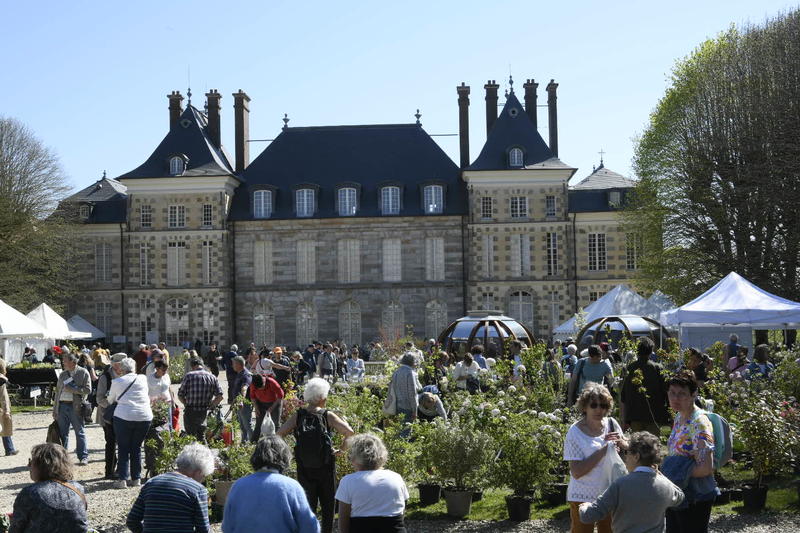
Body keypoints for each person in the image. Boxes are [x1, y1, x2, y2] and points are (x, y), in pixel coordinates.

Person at [277, 378, 355, 533]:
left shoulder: (298, 416)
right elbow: (349, 432)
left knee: (307, 505)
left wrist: (290, 453)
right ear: (322, 398)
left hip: (304, 467)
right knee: (328, 507)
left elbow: (278, 435)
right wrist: (341, 451)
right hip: (326, 466)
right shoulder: (328, 416)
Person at [579, 431, 684, 533]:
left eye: (627, 452)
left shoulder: (620, 485)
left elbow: (589, 515)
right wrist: (660, 474)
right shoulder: (665, 486)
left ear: (636, 456)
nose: (625, 458)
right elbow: (680, 496)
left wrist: (584, 507)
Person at [563, 382, 628, 533]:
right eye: (594, 405)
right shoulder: (575, 432)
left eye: (603, 405)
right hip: (582, 496)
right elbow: (577, 472)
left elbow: (627, 449)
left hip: (609, 493)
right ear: (584, 406)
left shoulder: (612, 424)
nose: (599, 409)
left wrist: (623, 443)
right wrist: (604, 449)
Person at [222, 436, 319, 533]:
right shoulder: (291, 487)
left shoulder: (238, 486)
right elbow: (310, 527)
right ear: (285, 457)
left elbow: (227, 527)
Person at [662, 370, 717, 533]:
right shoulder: (679, 417)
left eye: (682, 394)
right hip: (678, 492)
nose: (675, 398)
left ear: (694, 394)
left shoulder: (699, 423)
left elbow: (706, 468)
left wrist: (676, 471)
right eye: (672, 393)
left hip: (696, 496)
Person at [126, 442, 214, 533]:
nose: (202, 480)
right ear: (198, 472)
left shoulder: (151, 483)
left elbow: (132, 521)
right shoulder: (197, 490)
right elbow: (203, 530)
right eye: (204, 475)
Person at [336, 433, 409, 533]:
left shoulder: (348, 481)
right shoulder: (396, 477)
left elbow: (343, 517)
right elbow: (401, 510)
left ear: (355, 459)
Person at [10, 443, 88, 533]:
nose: (28, 465)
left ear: (41, 465)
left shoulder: (29, 493)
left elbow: (16, 528)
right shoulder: (77, 488)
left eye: (31, 461)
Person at [108, 357, 153, 488]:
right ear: (134, 368)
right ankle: (136, 479)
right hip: (144, 416)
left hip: (123, 416)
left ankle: (122, 479)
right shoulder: (143, 378)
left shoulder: (117, 381)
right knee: (136, 447)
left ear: (121, 369)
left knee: (123, 447)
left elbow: (111, 400)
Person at [620, 337, 669, 436]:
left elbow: (623, 397)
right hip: (654, 415)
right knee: (652, 446)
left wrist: (623, 419)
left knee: (637, 445)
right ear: (651, 351)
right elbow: (667, 391)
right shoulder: (658, 368)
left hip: (634, 415)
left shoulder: (628, 369)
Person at [52, 351, 91, 465]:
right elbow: (57, 392)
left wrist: (73, 390)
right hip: (62, 406)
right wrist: (55, 409)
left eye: (65, 361)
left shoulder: (83, 372)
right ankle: (63, 458)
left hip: (76, 406)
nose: (63, 363)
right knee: (63, 433)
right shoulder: (63, 374)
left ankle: (83, 456)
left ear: (73, 362)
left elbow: (88, 390)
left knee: (80, 432)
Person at [178, 357, 224, 441]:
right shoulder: (212, 377)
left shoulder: (189, 376)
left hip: (190, 411)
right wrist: (212, 405)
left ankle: (192, 453)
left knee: (191, 437)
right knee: (201, 436)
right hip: (203, 412)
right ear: (202, 365)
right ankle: (204, 453)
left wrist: (185, 404)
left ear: (192, 366)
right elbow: (220, 396)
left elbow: (180, 394)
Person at [96, 352, 125, 479]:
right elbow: (99, 399)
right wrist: (113, 405)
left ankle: (121, 469)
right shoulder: (105, 378)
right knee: (111, 442)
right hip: (108, 415)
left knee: (124, 443)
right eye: (122, 365)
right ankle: (109, 471)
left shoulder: (128, 376)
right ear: (115, 365)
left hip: (125, 415)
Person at [250, 373, 285, 442]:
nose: (261, 389)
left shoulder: (272, 382)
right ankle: (253, 443)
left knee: (276, 423)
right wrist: (256, 408)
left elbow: (280, 396)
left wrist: (272, 408)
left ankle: (278, 442)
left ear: (264, 381)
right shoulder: (253, 384)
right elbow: (253, 397)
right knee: (258, 424)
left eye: (262, 387)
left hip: (275, 402)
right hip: (260, 403)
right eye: (259, 388)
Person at [389, 353, 422, 424]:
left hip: (398, 405)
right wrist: (415, 410)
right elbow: (412, 393)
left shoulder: (396, 372)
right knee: (406, 430)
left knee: (400, 428)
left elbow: (393, 388)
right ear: (413, 361)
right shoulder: (410, 373)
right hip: (408, 406)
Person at [230, 356, 253, 443]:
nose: (232, 366)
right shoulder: (240, 374)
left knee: (247, 425)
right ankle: (244, 442)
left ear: (239, 364)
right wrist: (233, 402)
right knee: (242, 426)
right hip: (238, 403)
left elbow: (244, 388)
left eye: (233, 364)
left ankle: (253, 443)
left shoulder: (246, 375)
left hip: (244, 404)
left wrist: (241, 401)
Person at [0, 358, 17, 455]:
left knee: (4, 428)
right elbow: (3, 397)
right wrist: (6, 410)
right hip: (1, 409)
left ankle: (10, 449)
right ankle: (10, 449)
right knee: (4, 428)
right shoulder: (1, 381)